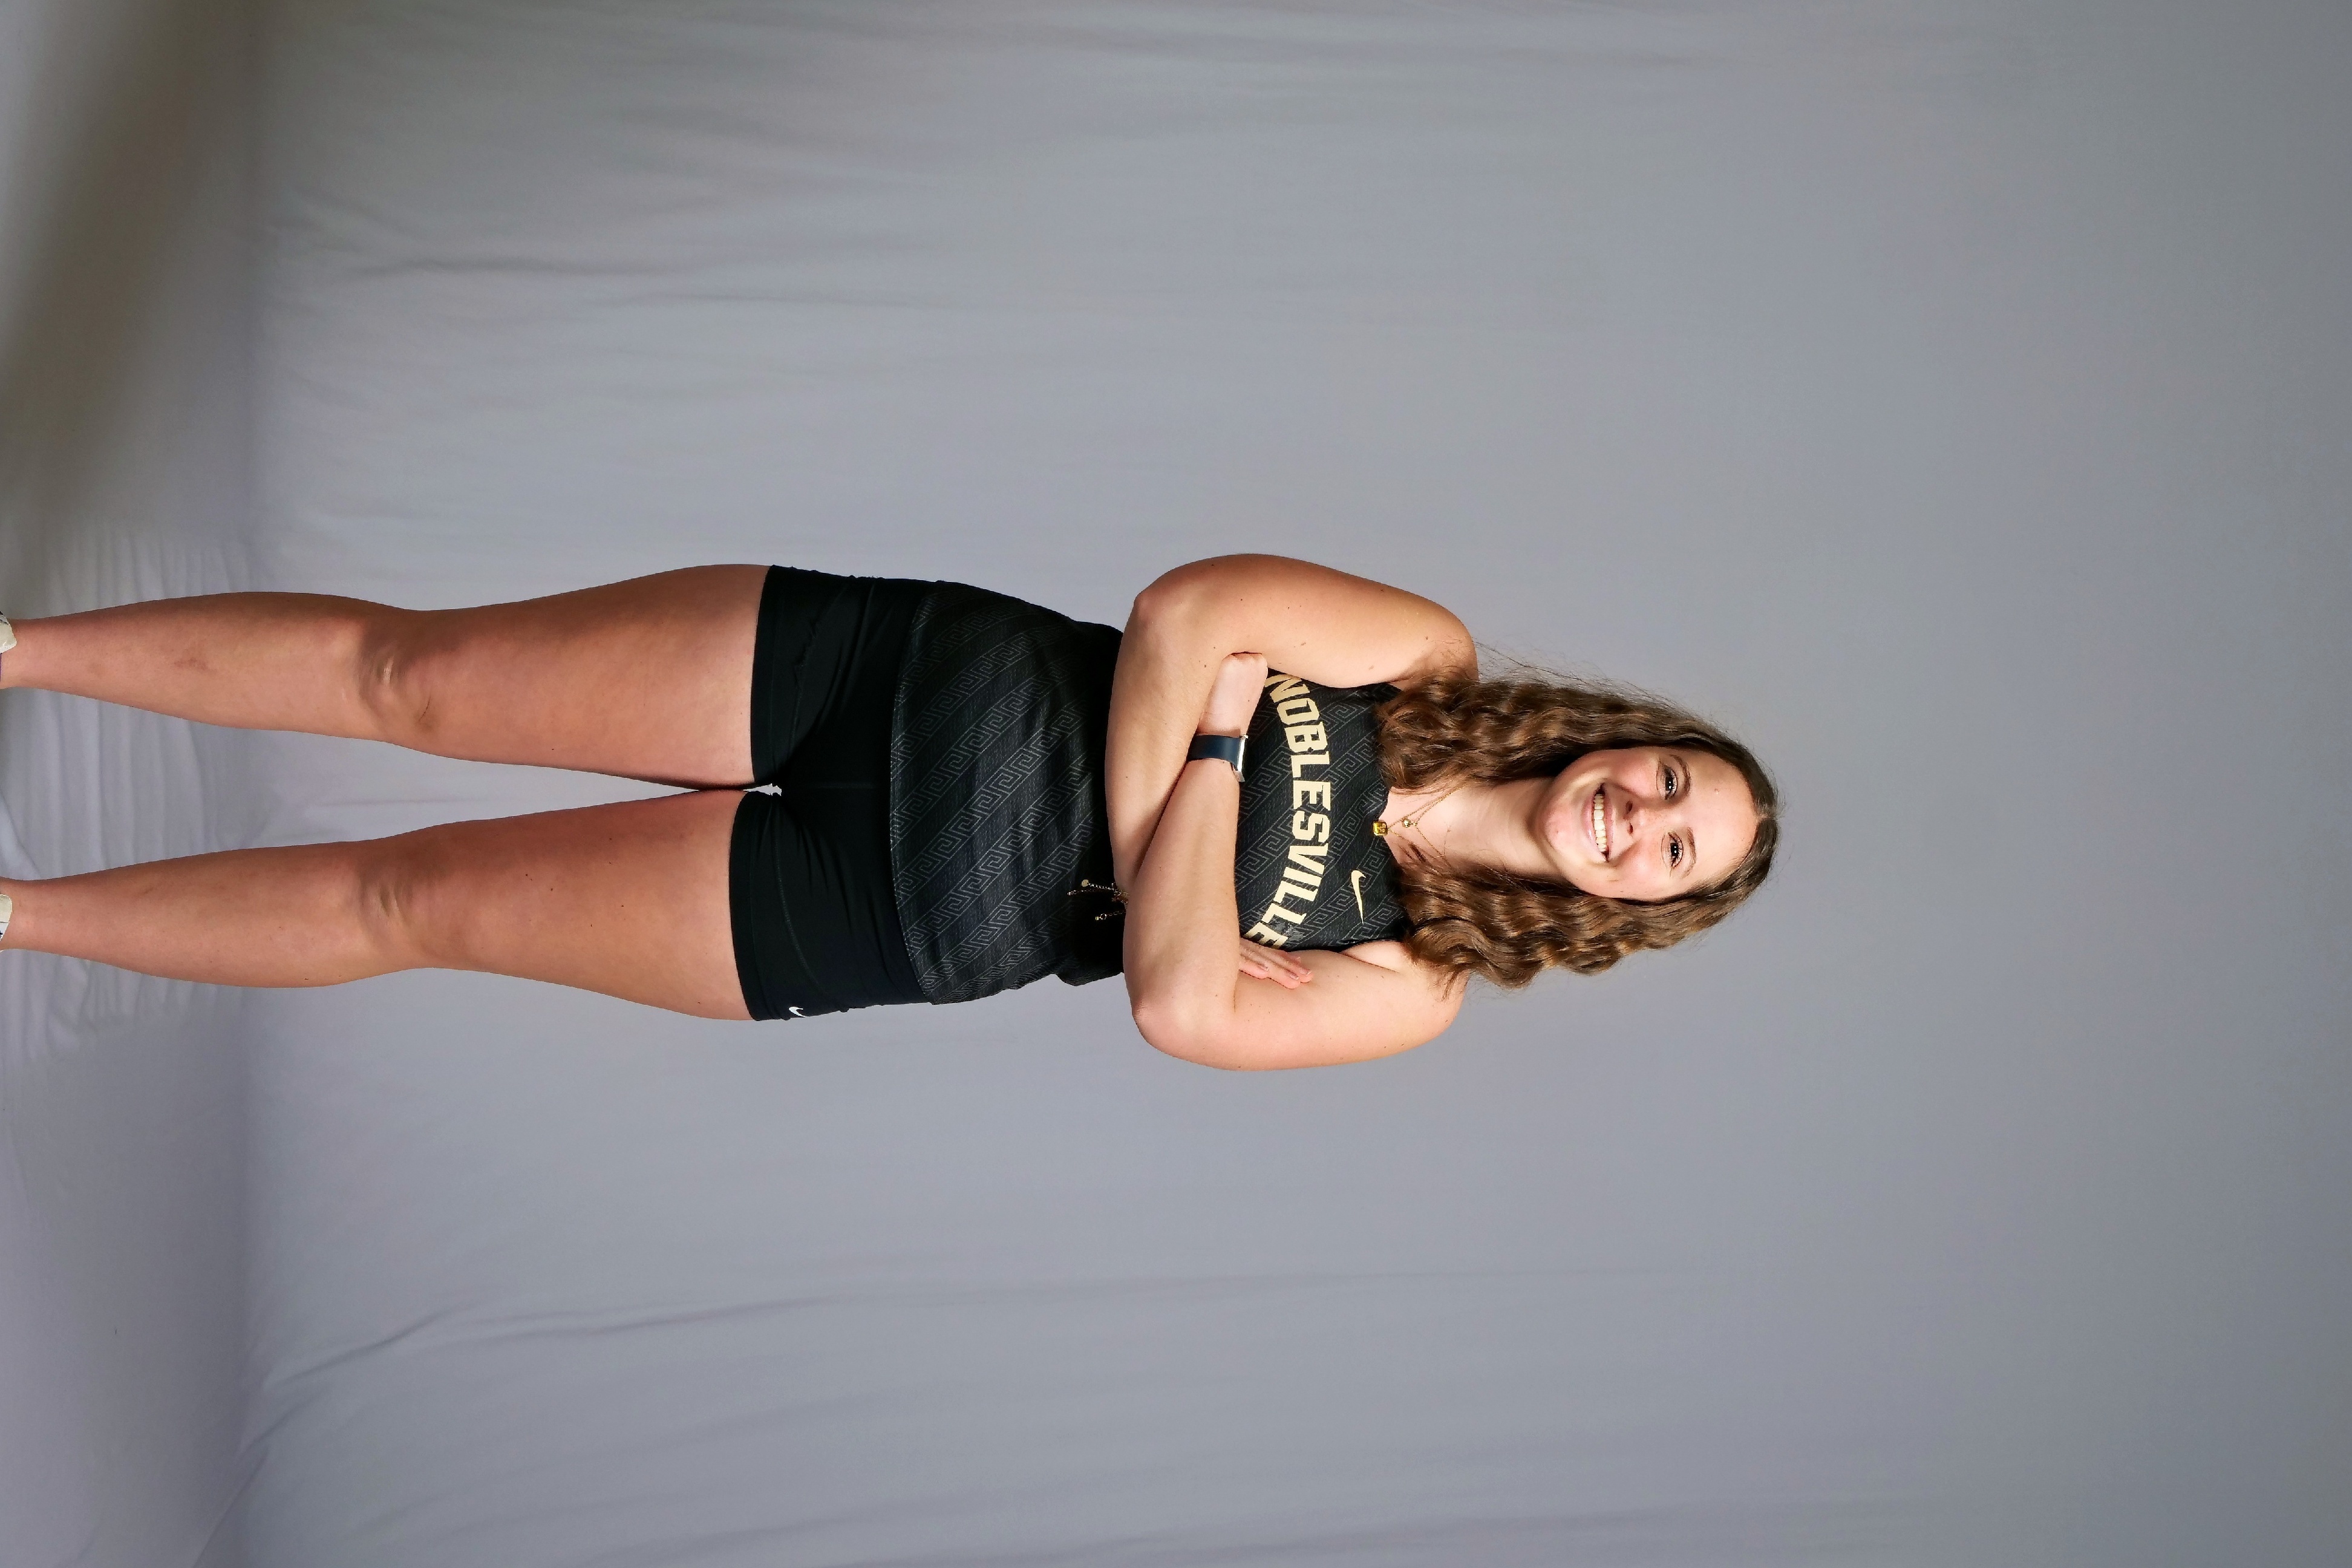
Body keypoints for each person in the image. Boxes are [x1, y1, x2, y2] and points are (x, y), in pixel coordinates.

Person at [0, 555, 1777, 1070]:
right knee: (423, 678)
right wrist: (1169, 875)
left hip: (893, 914)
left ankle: (14, 919)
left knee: (418, 904)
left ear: (1641, 910)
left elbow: (1177, 1010)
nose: (1641, 819)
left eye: (1672, 852)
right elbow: (1179, 613)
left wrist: (1221, 744)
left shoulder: (1415, 985)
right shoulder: (1427, 660)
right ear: (1634, 739)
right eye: (1671, 781)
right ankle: (17, 648)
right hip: (904, 673)